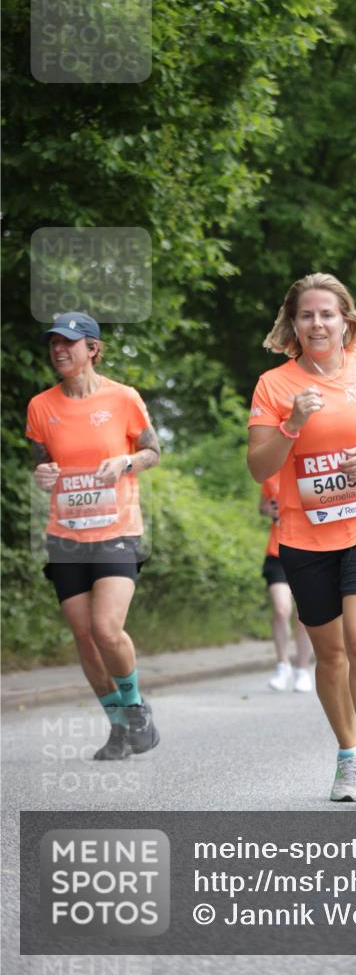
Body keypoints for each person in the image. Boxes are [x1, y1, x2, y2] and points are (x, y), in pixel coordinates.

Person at [247, 273, 356, 806]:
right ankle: (347, 754)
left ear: (346, 320)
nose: (317, 323)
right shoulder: (274, 386)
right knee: (329, 651)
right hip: (304, 534)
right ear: (293, 324)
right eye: (307, 315)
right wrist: (293, 424)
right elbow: (260, 467)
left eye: (327, 314)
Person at [26, 312, 160, 760]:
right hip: (65, 535)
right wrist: (42, 473)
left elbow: (152, 452)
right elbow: (40, 461)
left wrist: (125, 463)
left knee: (106, 628)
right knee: (84, 637)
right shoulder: (41, 406)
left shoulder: (123, 399)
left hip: (117, 530)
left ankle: (137, 706)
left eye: (69, 342)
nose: (59, 350)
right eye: (54, 344)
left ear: (93, 349)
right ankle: (119, 727)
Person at [260, 474, 313, 692]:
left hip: (308, 553)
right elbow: (262, 507)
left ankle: (302, 670)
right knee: (282, 610)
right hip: (277, 554)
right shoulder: (270, 477)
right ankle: (282, 665)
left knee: (305, 616)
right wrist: (268, 511)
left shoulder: (308, 471)